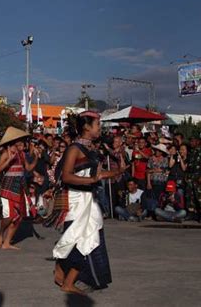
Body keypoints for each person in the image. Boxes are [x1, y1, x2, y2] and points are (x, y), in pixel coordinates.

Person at [53, 111, 126, 295]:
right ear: (87, 127)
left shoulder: (92, 149)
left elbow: (97, 175)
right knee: (78, 239)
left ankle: (63, 274)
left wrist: (117, 172)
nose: (100, 128)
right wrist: (91, 181)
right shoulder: (74, 149)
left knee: (91, 238)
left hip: (89, 200)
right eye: (98, 125)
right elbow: (67, 176)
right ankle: (65, 277)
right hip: (76, 201)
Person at [0, 126, 38, 250]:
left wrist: (35, 157)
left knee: (19, 216)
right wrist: (8, 160)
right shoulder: (5, 153)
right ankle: (0, 234)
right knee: (9, 215)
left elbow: (28, 168)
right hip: (8, 186)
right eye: (20, 140)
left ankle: (7, 242)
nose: (22, 143)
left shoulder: (22, 154)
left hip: (20, 186)